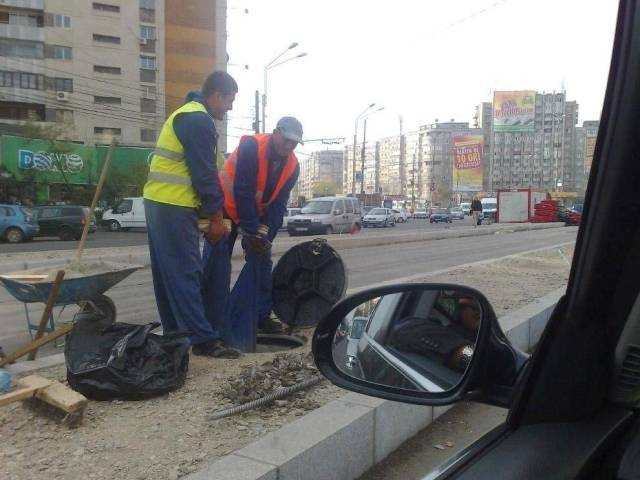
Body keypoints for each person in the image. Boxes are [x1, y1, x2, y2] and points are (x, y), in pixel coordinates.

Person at [143, 71, 241, 358]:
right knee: (186, 272)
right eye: (230, 100)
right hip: (173, 205)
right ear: (216, 94)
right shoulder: (198, 120)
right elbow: (204, 175)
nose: (230, 107)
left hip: (158, 202)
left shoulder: (186, 114)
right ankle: (202, 340)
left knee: (167, 275)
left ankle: (176, 336)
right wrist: (215, 218)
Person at [203, 117, 301, 349]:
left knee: (262, 259)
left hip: (253, 216)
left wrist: (264, 234)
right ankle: (208, 316)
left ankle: (261, 315)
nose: (289, 147)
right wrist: (250, 229)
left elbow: (278, 204)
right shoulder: (251, 147)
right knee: (216, 260)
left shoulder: (293, 166)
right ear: (276, 132)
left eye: (294, 144)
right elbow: (243, 191)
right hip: (226, 208)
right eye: (286, 140)